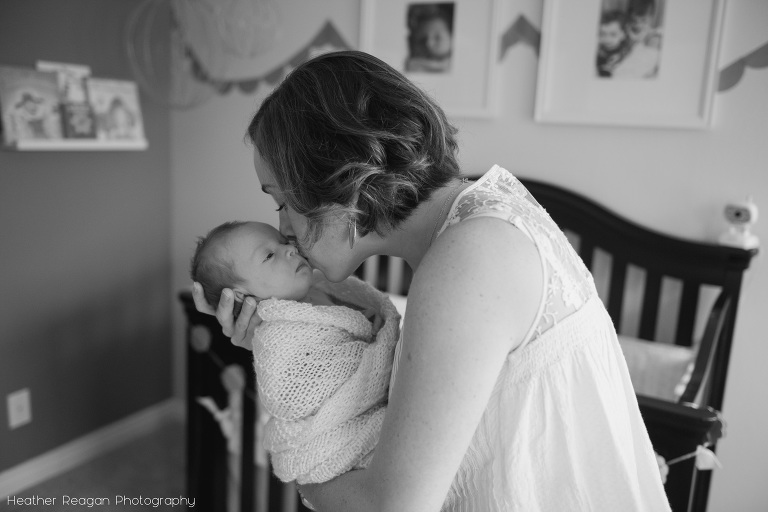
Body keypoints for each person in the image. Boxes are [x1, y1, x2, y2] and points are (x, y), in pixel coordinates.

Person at [192, 50, 671, 511]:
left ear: (337, 179)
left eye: (281, 200)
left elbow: (389, 508)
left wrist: (298, 456)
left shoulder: (468, 259)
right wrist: (283, 340)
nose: (283, 228)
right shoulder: (480, 221)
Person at [190, 220, 401, 484]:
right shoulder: (277, 337)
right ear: (241, 296)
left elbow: (365, 319)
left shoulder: (322, 288)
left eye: (283, 242)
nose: (290, 249)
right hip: (342, 430)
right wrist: (374, 350)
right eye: (269, 255)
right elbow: (289, 395)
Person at [404, 4, 453, 73]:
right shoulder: (411, 66)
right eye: (422, 40)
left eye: (437, 38)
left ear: (451, 37)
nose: (428, 43)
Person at [596, 10, 630, 77]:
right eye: (602, 34)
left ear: (623, 35)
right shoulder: (599, 49)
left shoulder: (626, 50)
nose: (607, 39)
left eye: (613, 34)